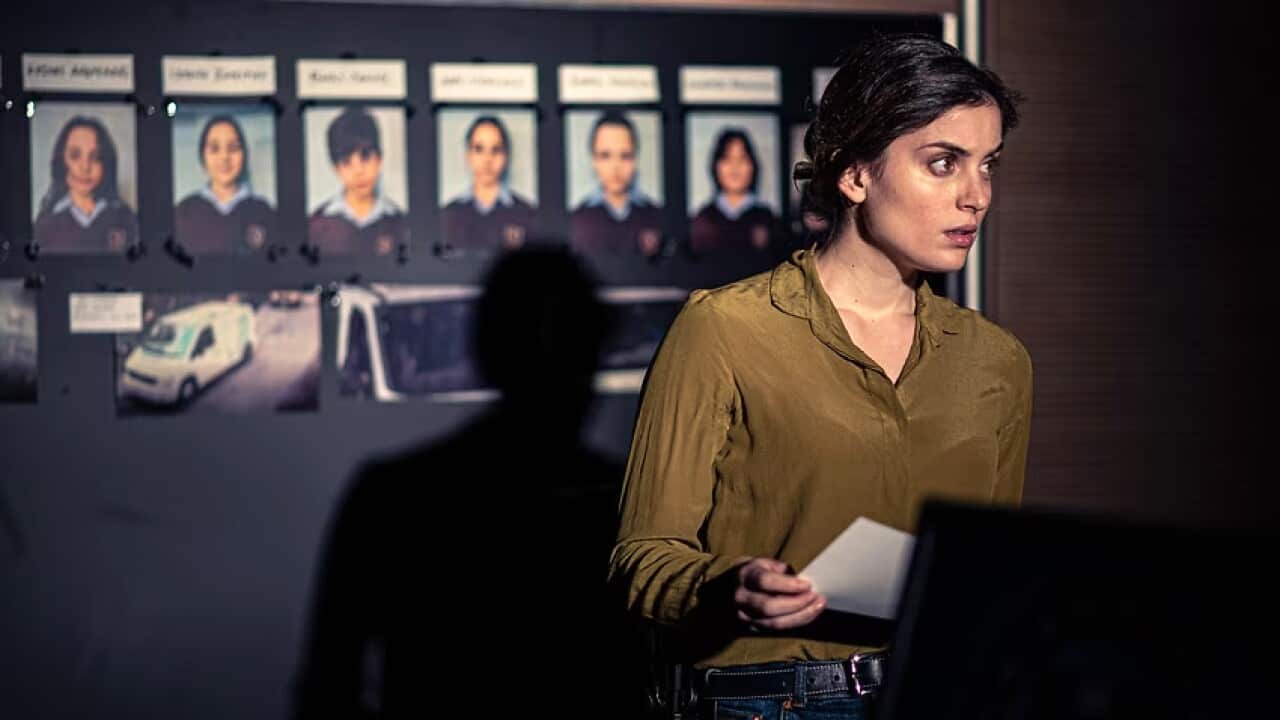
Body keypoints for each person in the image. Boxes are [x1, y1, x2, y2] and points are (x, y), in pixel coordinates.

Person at [610, 33, 1030, 720]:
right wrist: (727, 587)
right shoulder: (723, 329)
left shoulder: (997, 361)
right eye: (943, 163)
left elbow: (987, 572)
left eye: (988, 165)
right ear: (855, 175)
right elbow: (643, 558)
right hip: (771, 701)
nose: (976, 196)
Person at [294, 248, 649, 719]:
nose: (555, 376)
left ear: (486, 352)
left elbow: (326, 690)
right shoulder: (630, 507)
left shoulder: (394, 499)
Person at [308, 105, 409, 256]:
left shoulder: (401, 224)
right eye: (346, 162)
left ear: (379, 159)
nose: (359, 171)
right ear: (336, 169)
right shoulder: (317, 225)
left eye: (366, 157)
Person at [33, 115, 139, 253]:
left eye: (95, 158)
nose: (85, 167)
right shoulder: (46, 224)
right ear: (61, 161)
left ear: (106, 163)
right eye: (75, 156)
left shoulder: (125, 218)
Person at [173, 113, 277, 254]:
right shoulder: (184, 212)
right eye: (214, 149)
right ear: (203, 156)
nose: (224, 157)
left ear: (244, 154)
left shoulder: (263, 211)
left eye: (233, 148)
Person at [569, 111, 664, 256]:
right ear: (593, 160)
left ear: (635, 159)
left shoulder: (657, 217)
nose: (616, 166)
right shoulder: (576, 220)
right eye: (605, 156)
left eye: (625, 156)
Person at [441, 114, 537, 254]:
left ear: (505, 156)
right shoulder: (448, 216)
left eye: (496, 150)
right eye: (479, 149)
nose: (487, 159)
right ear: (468, 155)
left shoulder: (526, 214)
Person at [689, 127, 776, 255]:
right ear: (716, 166)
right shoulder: (703, 220)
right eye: (727, 158)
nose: (735, 166)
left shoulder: (767, 219)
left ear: (753, 166)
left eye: (742, 158)